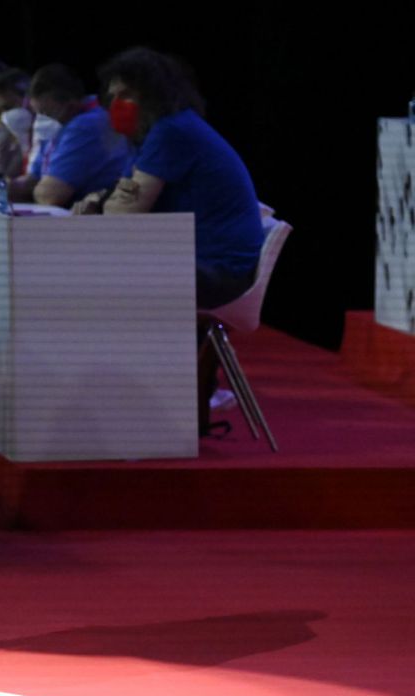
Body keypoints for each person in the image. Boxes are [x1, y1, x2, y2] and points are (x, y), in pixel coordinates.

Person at [72, 47, 266, 435]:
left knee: (96, 282)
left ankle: (127, 404)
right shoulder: (164, 132)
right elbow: (123, 195)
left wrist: (102, 203)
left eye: (127, 95)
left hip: (220, 272)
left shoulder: (172, 132)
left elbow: (124, 213)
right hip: (205, 263)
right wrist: (106, 200)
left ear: (153, 95)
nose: (117, 105)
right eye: (113, 97)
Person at [9, 64, 129, 207]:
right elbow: (33, 177)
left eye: (46, 113)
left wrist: (30, 188)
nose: (41, 121)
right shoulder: (55, 126)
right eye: (38, 114)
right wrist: (6, 187)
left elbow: (51, 195)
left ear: (71, 106)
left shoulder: (87, 125)